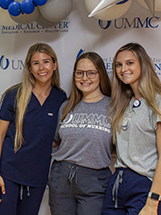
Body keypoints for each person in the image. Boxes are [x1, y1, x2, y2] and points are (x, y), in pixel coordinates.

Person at [0, 43, 67, 215]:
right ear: (29, 68)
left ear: (54, 65)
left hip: (37, 177)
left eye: (46, 61)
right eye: (36, 63)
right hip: (8, 174)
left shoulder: (60, 98)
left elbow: (57, 136)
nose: (42, 68)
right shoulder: (14, 95)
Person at [102, 43, 161, 215]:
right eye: (118, 65)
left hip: (146, 187)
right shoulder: (123, 104)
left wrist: (153, 201)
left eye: (130, 63)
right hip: (118, 185)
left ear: (142, 64)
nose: (123, 69)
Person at [48, 52, 113, 215]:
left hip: (95, 180)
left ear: (101, 75)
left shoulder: (114, 107)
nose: (85, 78)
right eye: (80, 73)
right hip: (61, 177)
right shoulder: (65, 106)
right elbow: (56, 141)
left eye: (91, 73)